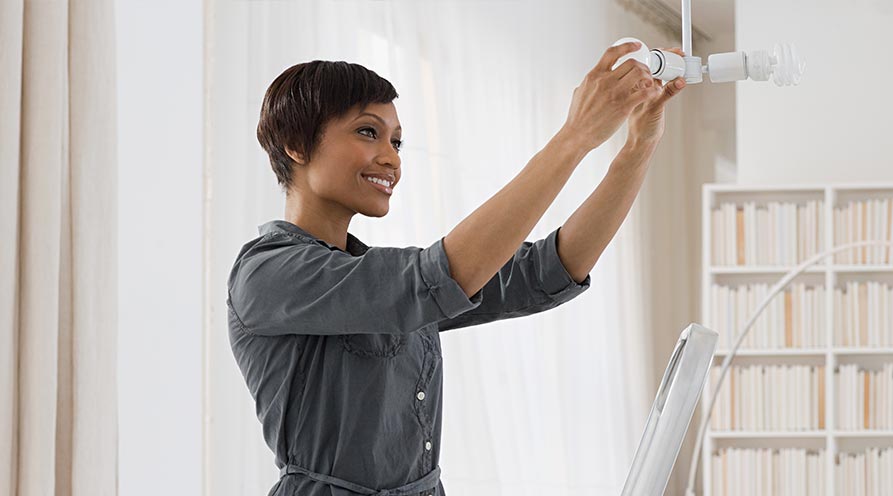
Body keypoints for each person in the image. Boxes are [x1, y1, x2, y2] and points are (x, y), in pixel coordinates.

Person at [227, 41, 687, 496]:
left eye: (397, 141)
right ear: (296, 145)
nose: (392, 157)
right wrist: (575, 137)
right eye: (368, 132)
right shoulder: (267, 274)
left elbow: (548, 270)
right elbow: (434, 279)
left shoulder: (372, 274)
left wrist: (638, 148)